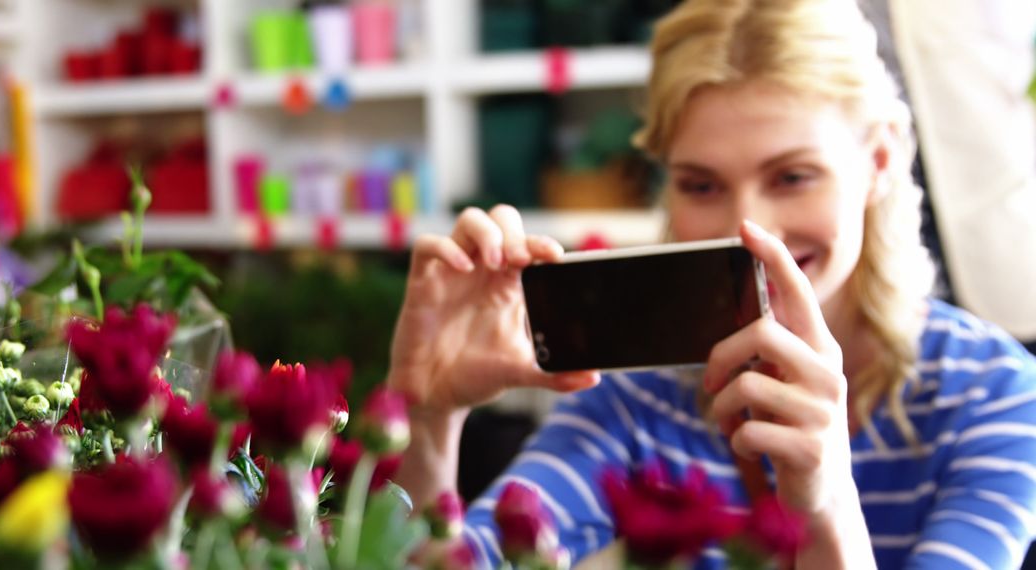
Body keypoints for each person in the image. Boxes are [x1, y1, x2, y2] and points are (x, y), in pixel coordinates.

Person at [387, 0, 1036, 567]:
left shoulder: (994, 395)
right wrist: (430, 421)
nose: (750, 228)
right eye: (701, 185)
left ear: (880, 161)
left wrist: (826, 502)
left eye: (793, 176)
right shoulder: (638, 401)